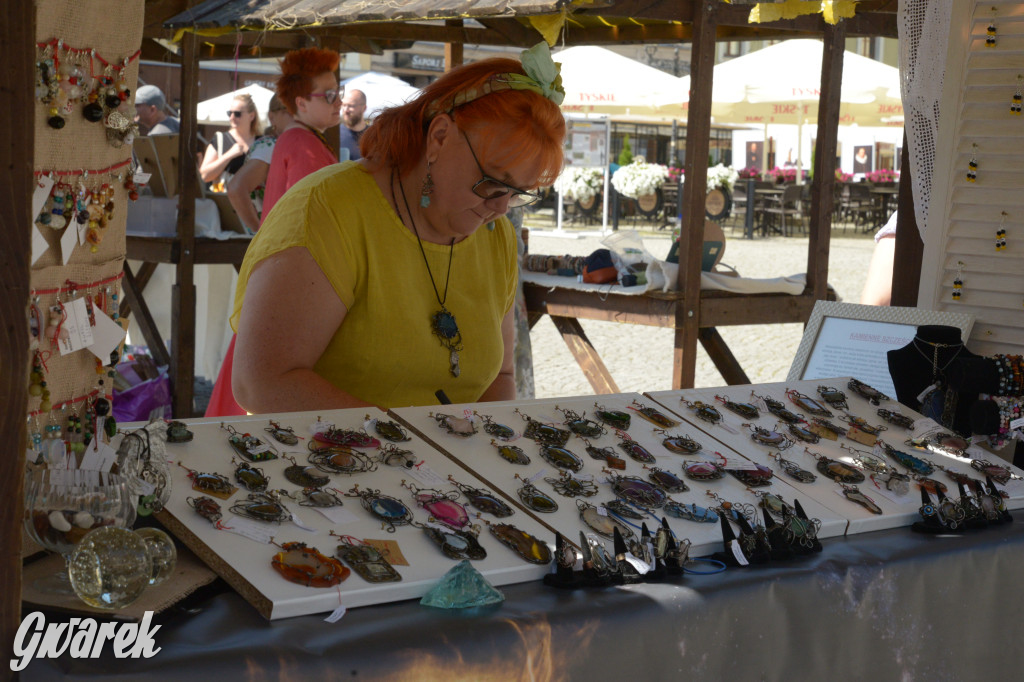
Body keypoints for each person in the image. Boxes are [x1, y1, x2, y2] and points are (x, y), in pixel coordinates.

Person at [230, 42, 566, 412]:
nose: (500, 207)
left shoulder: (494, 234)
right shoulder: (328, 209)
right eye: (491, 183)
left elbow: (499, 378)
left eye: (518, 193)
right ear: (439, 137)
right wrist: (408, 446)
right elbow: (262, 382)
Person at [204, 48, 341, 418]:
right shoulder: (302, 143)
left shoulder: (295, 140)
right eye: (328, 95)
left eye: (337, 92)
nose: (338, 101)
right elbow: (314, 221)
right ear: (300, 102)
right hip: (297, 278)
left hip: (284, 271)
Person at [226, 95, 293, 234]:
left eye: (300, 110)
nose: (296, 116)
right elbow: (236, 189)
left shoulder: (277, 145)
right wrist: (260, 232)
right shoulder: (270, 147)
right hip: (273, 238)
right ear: (272, 117)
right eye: (288, 110)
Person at [199, 93, 262, 192]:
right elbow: (205, 175)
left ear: (251, 116)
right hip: (227, 202)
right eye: (229, 113)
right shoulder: (220, 139)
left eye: (237, 114)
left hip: (255, 204)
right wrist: (229, 155)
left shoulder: (262, 142)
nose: (232, 117)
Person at [339, 88, 368, 161]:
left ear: (364, 108)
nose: (345, 110)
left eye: (351, 106)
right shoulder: (336, 135)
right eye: (344, 105)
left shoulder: (374, 136)